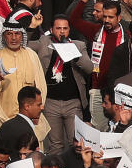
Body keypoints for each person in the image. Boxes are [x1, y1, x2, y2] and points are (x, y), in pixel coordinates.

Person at [26, 15, 94, 156]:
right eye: (58, 28)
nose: (62, 32)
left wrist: (74, 55)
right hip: (51, 103)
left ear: (69, 30)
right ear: (51, 30)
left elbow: (89, 68)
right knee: (55, 145)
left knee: (75, 142)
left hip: (73, 103)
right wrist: (31, 27)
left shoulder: (78, 45)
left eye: (65, 28)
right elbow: (24, 46)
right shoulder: (44, 42)